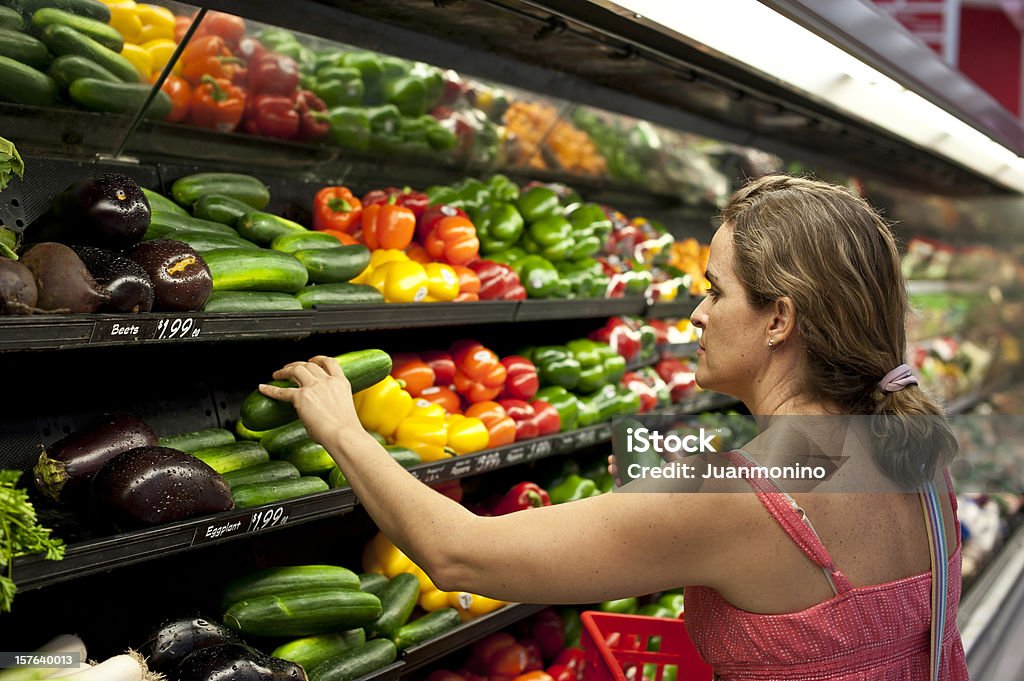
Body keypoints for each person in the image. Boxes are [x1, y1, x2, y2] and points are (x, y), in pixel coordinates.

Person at [260, 175, 968, 680]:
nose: (695, 313)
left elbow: (457, 554)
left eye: (716, 291)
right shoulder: (916, 451)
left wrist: (343, 428)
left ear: (780, 319)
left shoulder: (735, 497)